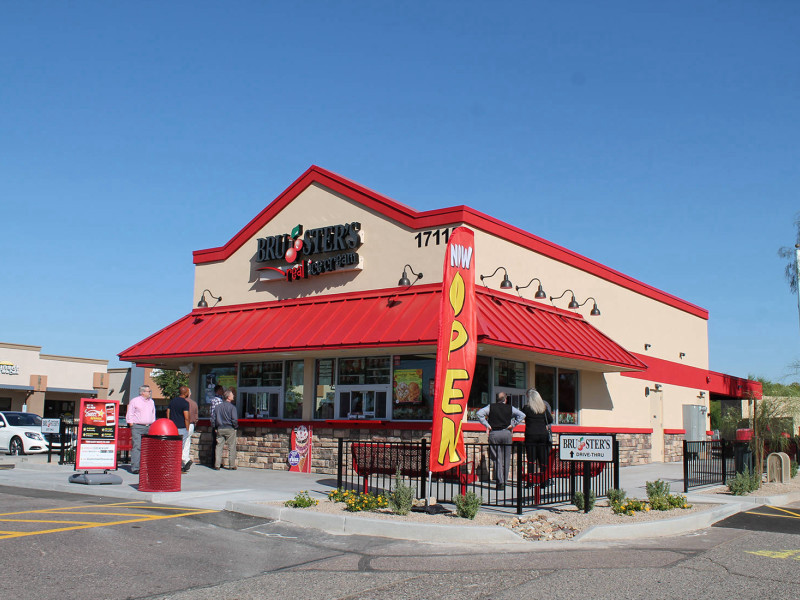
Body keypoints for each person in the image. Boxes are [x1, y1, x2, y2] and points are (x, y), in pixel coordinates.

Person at [476, 392, 524, 490]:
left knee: (497, 458)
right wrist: (513, 424)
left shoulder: (491, 407)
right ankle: (505, 480)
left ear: (496, 399)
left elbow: (479, 413)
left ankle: (500, 482)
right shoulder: (510, 408)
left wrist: (487, 425)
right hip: (506, 433)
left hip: (495, 433)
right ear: (505, 399)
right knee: (506, 458)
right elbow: (522, 415)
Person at [522, 388, 554, 487]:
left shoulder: (526, 408)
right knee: (543, 460)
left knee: (531, 460)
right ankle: (544, 481)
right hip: (542, 435)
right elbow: (550, 419)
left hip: (531, 435)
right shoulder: (543, 408)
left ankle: (530, 481)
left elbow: (520, 417)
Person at [125, 385, 156, 474]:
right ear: (143, 392)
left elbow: (153, 413)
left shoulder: (151, 402)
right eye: (148, 391)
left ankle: (146, 466)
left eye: (150, 391)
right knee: (137, 446)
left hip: (149, 427)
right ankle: (135, 467)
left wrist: (153, 424)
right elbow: (130, 413)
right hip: (137, 427)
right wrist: (131, 424)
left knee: (148, 447)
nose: (150, 393)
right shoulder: (135, 401)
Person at [166, 386, 191, 472]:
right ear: (186, 393)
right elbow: (186, 417)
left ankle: (170, 465)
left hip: (172, 427)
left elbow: (168, 412)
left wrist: (169, 423)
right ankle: (177, 467)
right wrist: (187, 429)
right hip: (181, 428)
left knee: (172, 447)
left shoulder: (172, 401)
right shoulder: (185, 403)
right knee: (180, 448)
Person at [214, 389, 238, 470]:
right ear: (228, 397)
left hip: (220, 428)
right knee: (231, 447)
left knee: (219, 447)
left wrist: (215, 427)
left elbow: (213, 419)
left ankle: (217, 465)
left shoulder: (217, 407)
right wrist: (235, 427)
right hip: (229, 428)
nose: (233, 396)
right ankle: (231, 465)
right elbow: (234, 419)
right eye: (232, 395)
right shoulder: (232, 407)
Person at [182, 389, 199, 473]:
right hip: (191, 424)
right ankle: (186, 459)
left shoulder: (183, 402)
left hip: (183, 424)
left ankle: (185, 460)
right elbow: (196, 416)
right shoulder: (194, 403)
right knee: (187, 442)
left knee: (182, 443)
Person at [209, 384, 224, 466]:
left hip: (219, 424)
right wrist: (215, 425)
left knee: (219, 444)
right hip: (217, 425)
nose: (223, 391)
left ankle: (217, 461)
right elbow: (213, 414)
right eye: (221, 389)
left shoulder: (220, 399)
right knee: (216, 444)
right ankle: (214, 462)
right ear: (218, 390)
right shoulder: (216, 400)